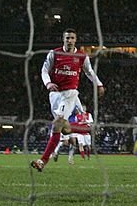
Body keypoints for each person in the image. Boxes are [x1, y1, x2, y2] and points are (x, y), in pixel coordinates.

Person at [31, 28, 105, 172]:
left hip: (70, 94)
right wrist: (48, 83)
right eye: (67, 38)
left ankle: (43, 160)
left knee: (57, 123)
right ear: (63, 39)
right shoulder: (54, 53)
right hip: (54, 95)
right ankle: (87, 129)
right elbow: (44, 70)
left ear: (75, 40)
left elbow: (89, 72)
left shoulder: (82, 56)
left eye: (72, 38)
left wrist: (99, 84)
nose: (69, 40)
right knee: (64, 129)